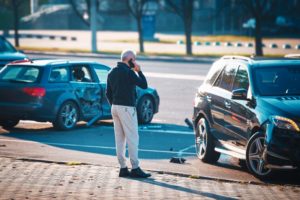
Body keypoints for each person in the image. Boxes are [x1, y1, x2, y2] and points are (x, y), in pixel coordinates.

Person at [106, 49, 151, 178]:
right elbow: (144, 85)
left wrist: (115, 105)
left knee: (119, 139)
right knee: (132, 138)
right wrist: (139, 71)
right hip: (127, 108)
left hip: (115, 107)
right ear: (129, 60)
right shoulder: (129, 73)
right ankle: (135, 167)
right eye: (134, 59)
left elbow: (107, 93)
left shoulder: (111, 72)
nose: (135, 62)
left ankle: (123, 167)